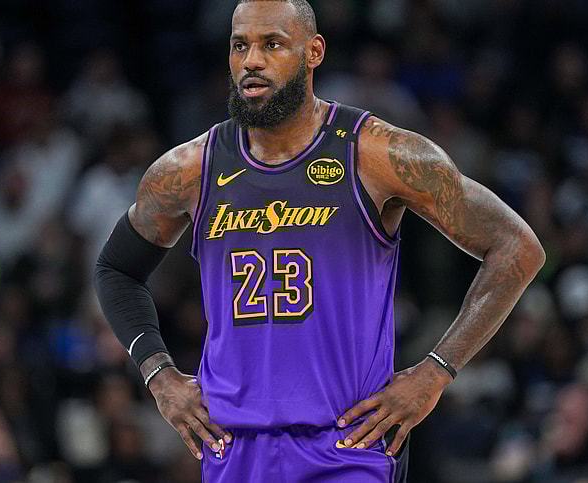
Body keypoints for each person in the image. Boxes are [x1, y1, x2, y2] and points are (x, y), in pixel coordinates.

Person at [94, 1, 545, 481]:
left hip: (349, 445)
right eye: (239, 45)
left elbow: (517, 247)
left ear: (314, 52)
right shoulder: (189, 169)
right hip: (234, 448)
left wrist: (435, 372)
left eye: (272, 44)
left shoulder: (376, 153)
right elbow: (116, 270)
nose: (251, 61)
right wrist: (159, 376)